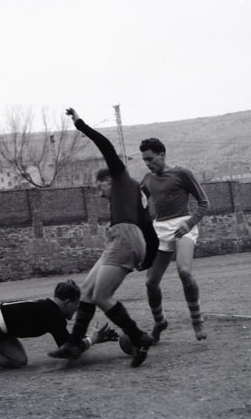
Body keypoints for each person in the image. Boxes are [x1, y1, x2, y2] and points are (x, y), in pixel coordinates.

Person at [48, 108, 159, 368]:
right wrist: (148, 258)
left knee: (101, 295)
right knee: (87, 290)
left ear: (110, 180)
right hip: (125, 239)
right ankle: (74, 342)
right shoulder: (132, 195)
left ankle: (139, 337)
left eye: (100, 186)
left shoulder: (121, 179)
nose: (99, 192)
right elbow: (150, 232)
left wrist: (81, 125)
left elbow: (107, 147)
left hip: (124, 238)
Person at [139, 137, 209, 344]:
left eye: (150, 159)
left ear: (162, 154)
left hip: (183, 225)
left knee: (184, 271)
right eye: (144, 160)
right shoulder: (147, 179)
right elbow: (138, 202)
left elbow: (204, 202)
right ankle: (160, 322)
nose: (148, 164)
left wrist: (189, 223)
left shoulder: (182, 173)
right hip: (160, 229)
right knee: (151, 282)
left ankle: (197, 320)